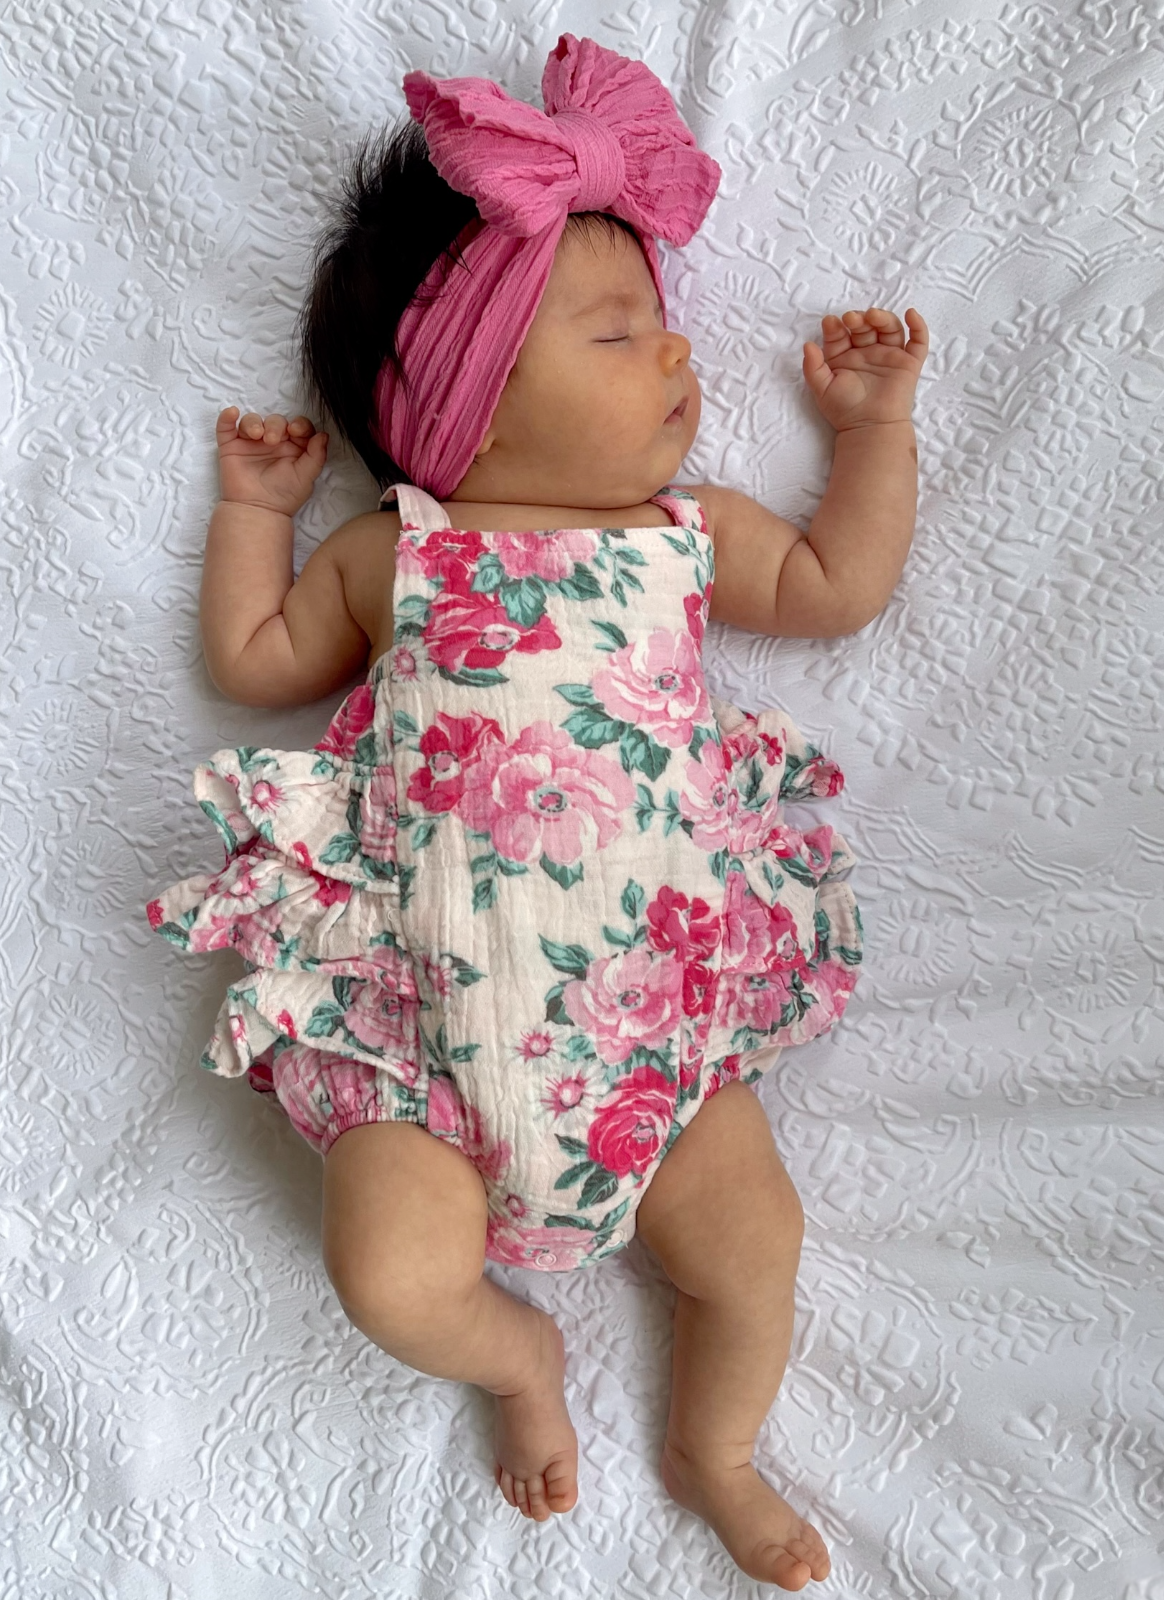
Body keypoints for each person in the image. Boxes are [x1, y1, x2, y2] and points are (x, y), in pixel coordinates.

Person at [146, 33, 928, 1591]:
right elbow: (253, 663)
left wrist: (872, 434)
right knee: (386, 1276)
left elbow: (840, 587)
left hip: (662, 1041)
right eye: (619, 328)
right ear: (472, 405)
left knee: (749, 1245)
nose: (677, 359)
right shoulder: (399, 553)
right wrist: (255, 518)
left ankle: (714, 1450)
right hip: (422, 1052)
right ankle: (513, 1360)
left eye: (664, 324)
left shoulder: (684, 537)